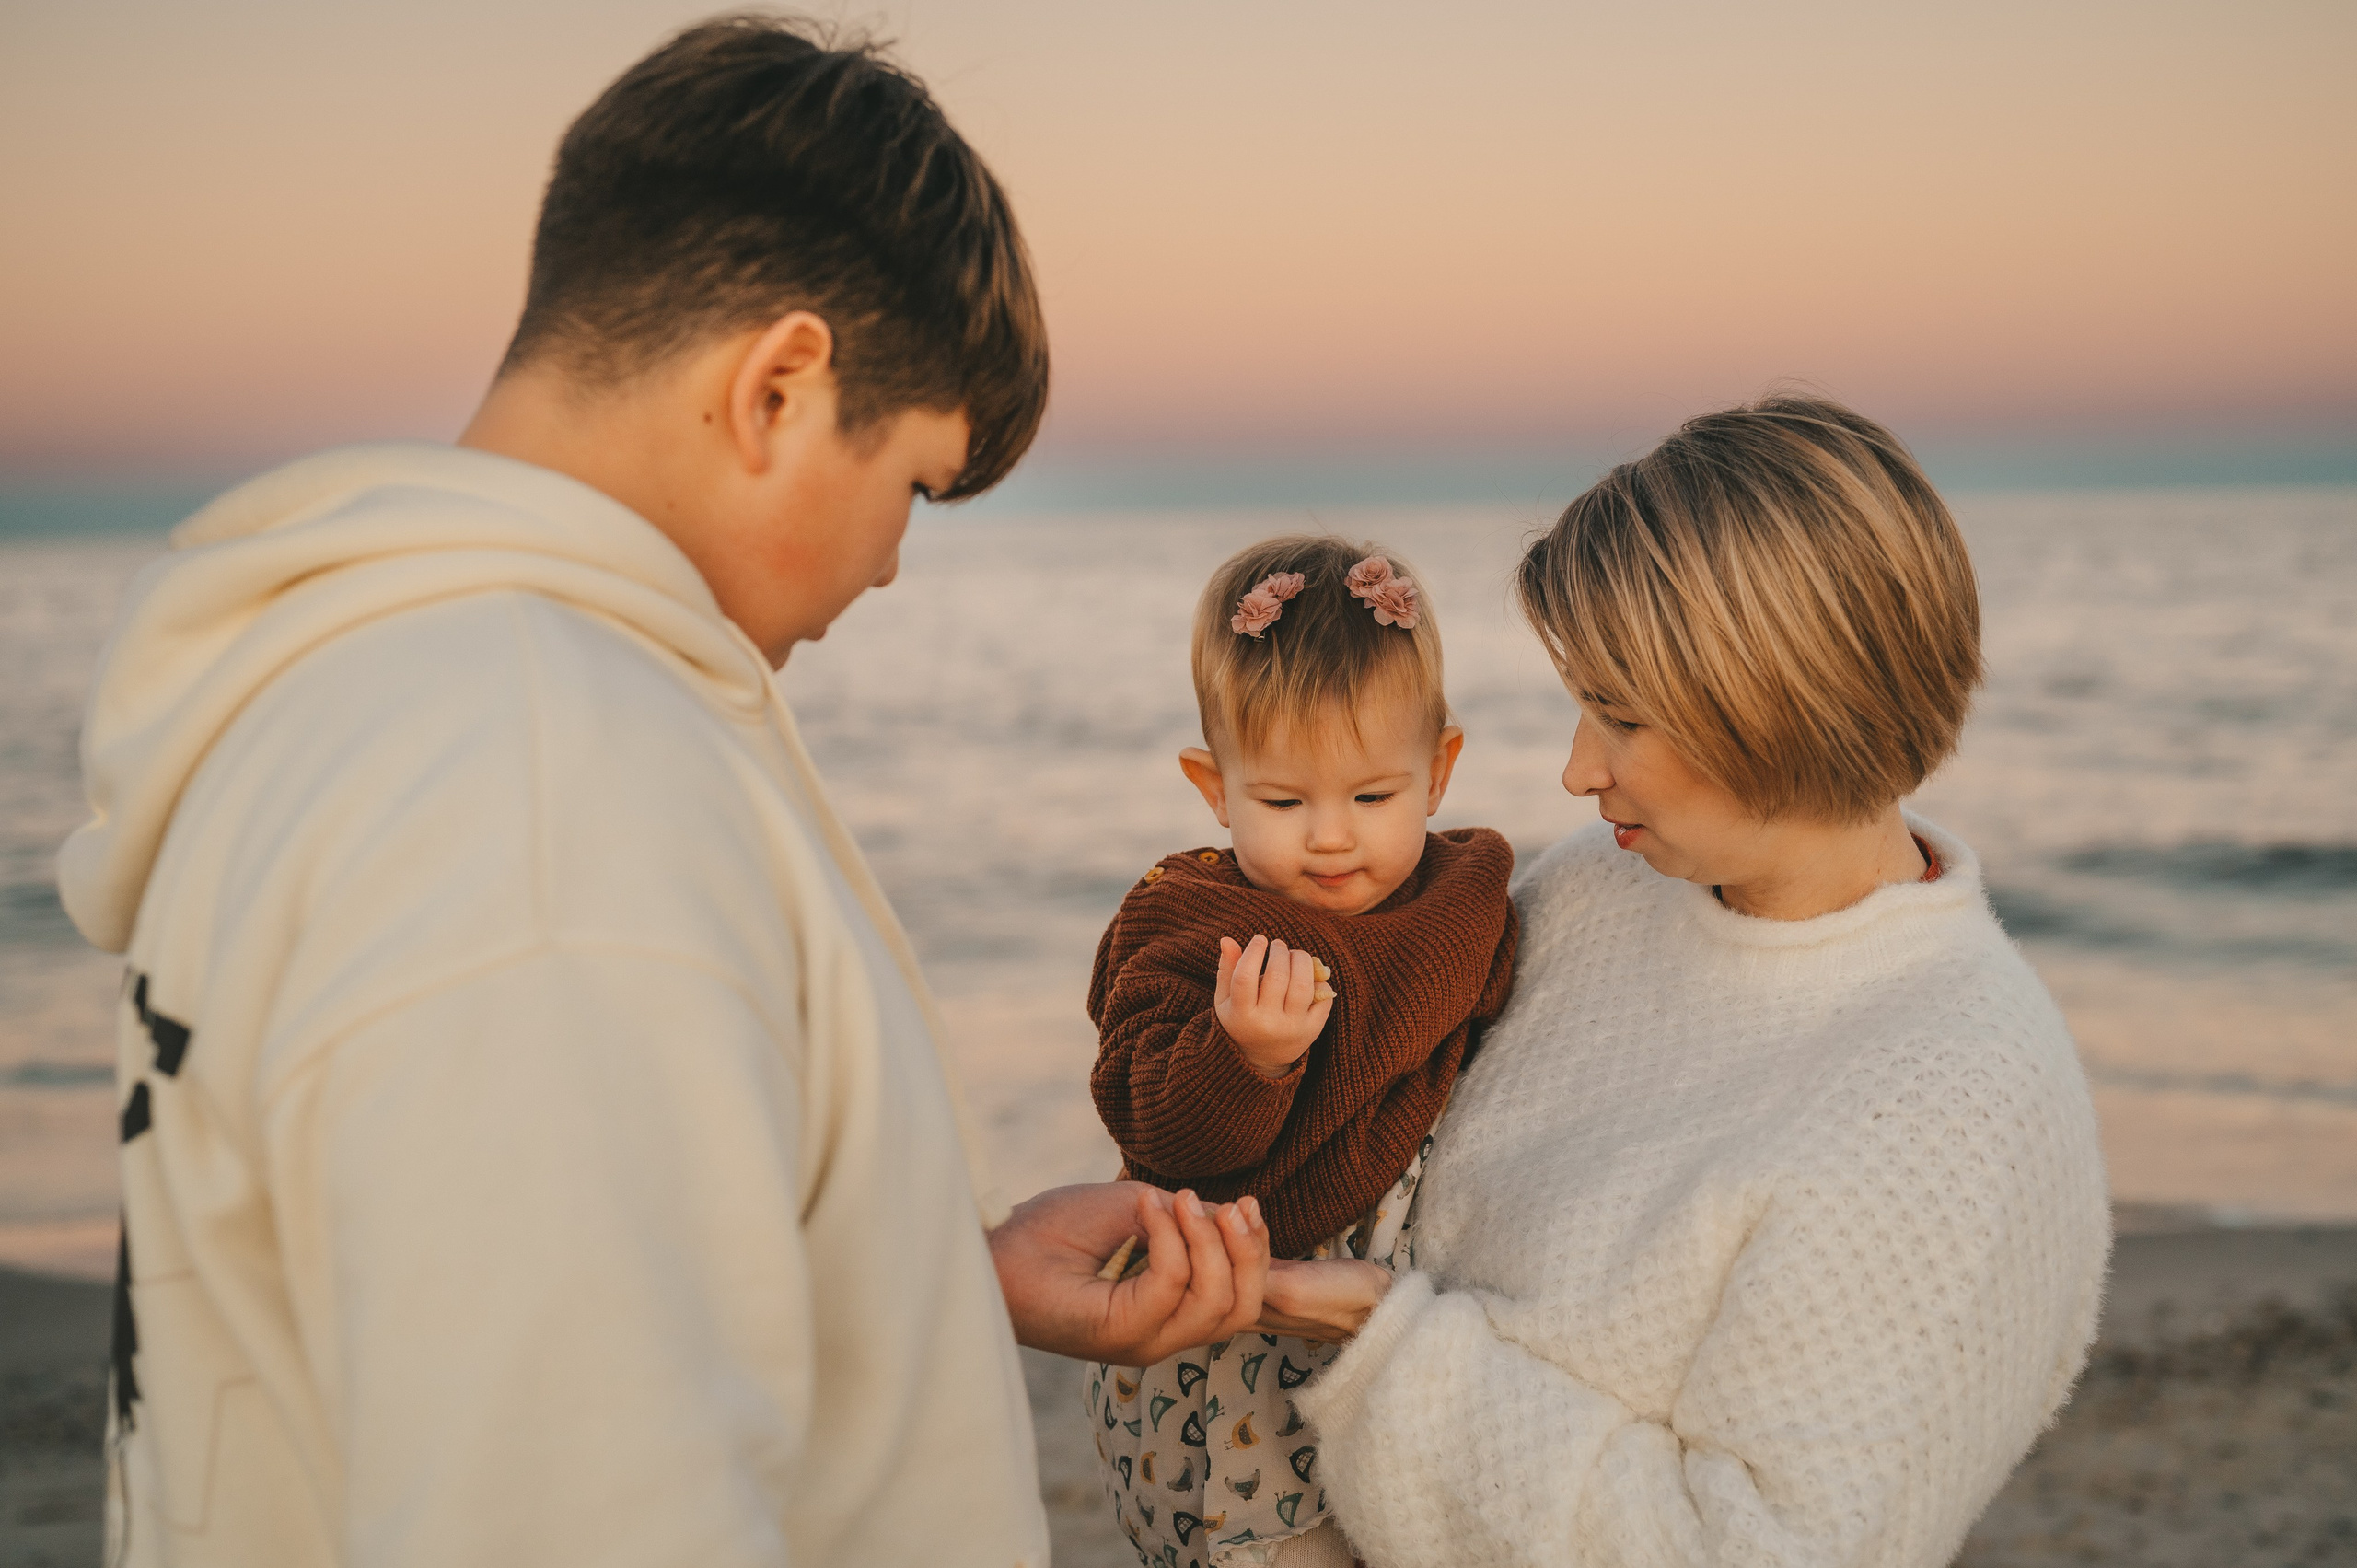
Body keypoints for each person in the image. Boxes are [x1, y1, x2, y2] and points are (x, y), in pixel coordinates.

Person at [59, 19, 1266, 1566]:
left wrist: (931, 1277)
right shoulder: (544, 786)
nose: (890, 565)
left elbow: (443, 1318)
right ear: (779, 387)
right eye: (911, 483)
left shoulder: (343, 700)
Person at [1254, 397, 2112, 1566]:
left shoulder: (1963, 1105)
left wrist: (1382, 1342)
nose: (1576, 768)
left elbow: (1764, 1548)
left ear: (1778, 699)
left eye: (1619, 715)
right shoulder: (1594, 889)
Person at [1082, 538, 1519, 1567]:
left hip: (1392, 1313)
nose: (1330, 836)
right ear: (1214, 787)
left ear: (1438, 771)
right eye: (1283, 802)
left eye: (1373, 796)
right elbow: (1147, 1116)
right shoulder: (1194, 925)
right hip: (1235, 1324)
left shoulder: (1462, 911)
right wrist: (1246, 1058)